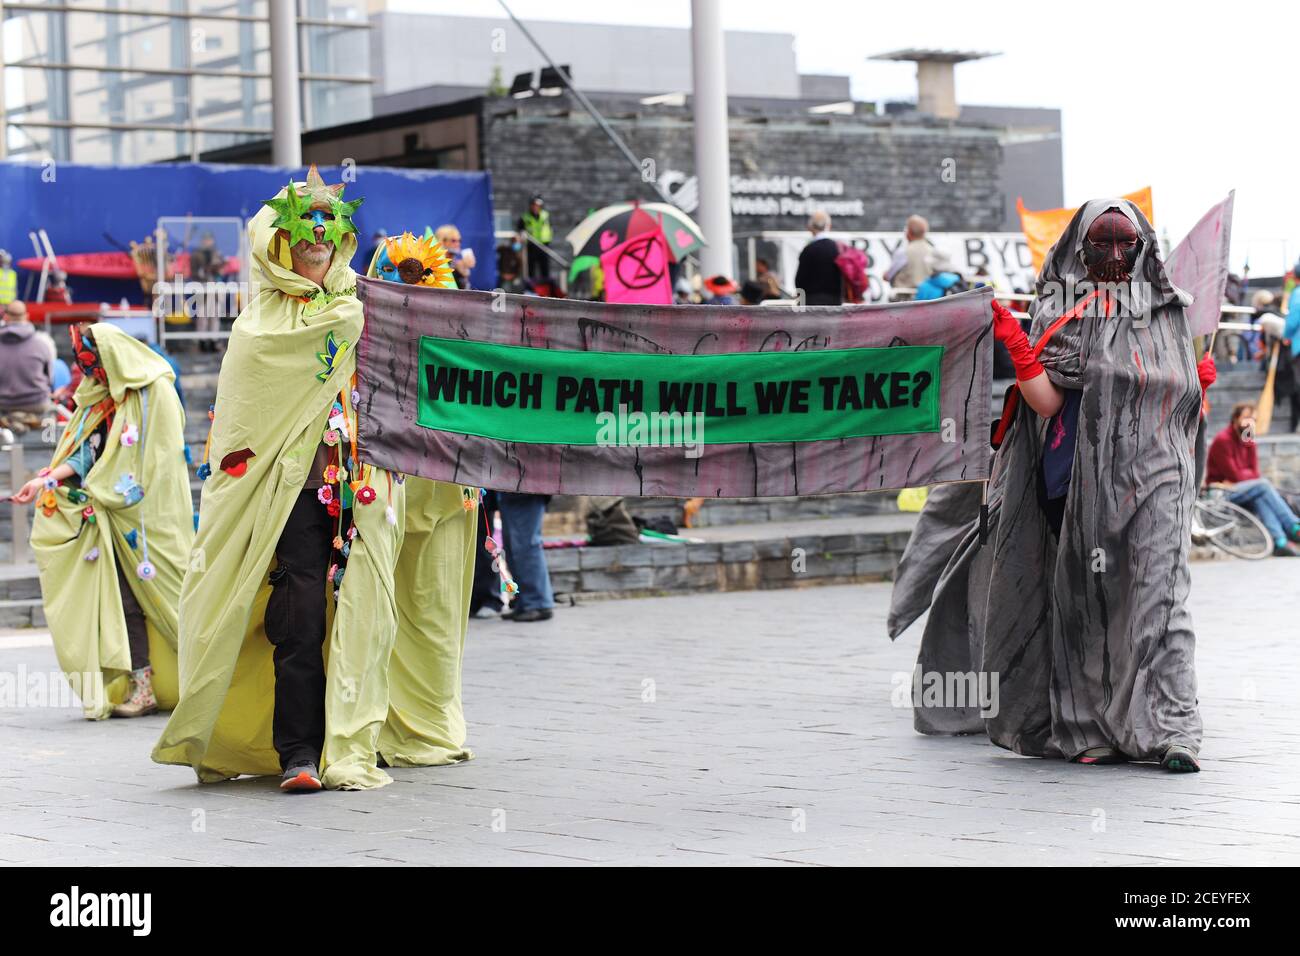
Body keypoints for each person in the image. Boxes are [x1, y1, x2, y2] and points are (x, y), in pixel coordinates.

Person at [889, 198, 1208, 773]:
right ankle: (1091, 727)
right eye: (1101, 243)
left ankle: (1171, 726)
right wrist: (1018, 347)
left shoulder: (1168, 310)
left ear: (1142, 247)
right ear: (1078, 247)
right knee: (1088, 603)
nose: (1114, 255)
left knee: (1162, 593)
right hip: (1079, 483)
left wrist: (1195, 387)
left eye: (1125, 244)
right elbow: (1049, 403)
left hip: (1159, 476)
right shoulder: (1061, 309)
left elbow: (1176, 400)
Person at [152, 166, 407, 793]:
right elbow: (246, 422)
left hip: (364, 490)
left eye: (328, 239)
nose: (317, 247)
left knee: (368, 616)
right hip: (289, 492)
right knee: (299, 618)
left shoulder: (368, 308)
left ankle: (360, 738)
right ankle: (297, 752)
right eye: (305, 240)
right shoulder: (256, 328)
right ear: (280, 248)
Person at [11, 323, 192, 719]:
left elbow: (157, 460)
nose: (93, 376)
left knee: (176, 598)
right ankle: (143, 686)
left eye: (95, 366)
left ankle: (209, 681)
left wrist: (107, 490)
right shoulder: (99, 399)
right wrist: (44, 478)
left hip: (153, 520)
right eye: (87, 368)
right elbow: (85, 453)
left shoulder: (154, 389)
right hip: (110, 517)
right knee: (125, 601)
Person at [366, 230, 478, 766]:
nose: (402, 287)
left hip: (446, 498)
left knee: (433, 607)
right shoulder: (362, 336)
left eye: (415, 276)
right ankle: (378, 720)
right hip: (382, 498)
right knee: (378, 610)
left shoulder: (456, 341)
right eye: (391, 276)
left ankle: (430, 722)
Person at [1206, 403, 1300, 555]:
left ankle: (1280, 542)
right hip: (1220, 492)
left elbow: (1255, 473)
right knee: (1262, 486)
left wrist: (1245, 475)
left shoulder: (1247, 437)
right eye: (1246, 418)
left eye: (1253, 420)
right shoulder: (1222, 440)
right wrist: (1246, 475)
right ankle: (1293, 526)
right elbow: (1234, 475)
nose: (1250, 423)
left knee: (1260, 496)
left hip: (1241, 489)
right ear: (1235, 419)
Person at [0, 300, 58, 434]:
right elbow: (50, 380)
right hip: (36, 405)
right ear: (26, 316)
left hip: (2, 406)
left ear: (6, 317)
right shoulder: (43, 343)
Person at [497, 492, 555, 622]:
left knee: (526, 545)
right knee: (512, 548)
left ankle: (538, 603)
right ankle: (524, 602)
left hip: (527, 487)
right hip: (507, 488)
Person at [794, 210, 842, 306]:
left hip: (811, 304)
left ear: (810, 227)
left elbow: (800, 281)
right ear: (829, 226)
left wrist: (800, 302)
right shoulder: (837, 248)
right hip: (834, 303)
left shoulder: (808, 250)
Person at [189, 232, 227, 353]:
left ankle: (214, 340)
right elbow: (194, 272)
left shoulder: (217, 253)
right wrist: (204, 272)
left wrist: (217, 269)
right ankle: (202, 341)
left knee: (215, 315)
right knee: (202, 316)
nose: (207, 242)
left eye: (209, 239)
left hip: (215, 289)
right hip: (202, 289)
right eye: (205, 240)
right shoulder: (196, 254)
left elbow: (221, 271)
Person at [887, 215, 933, 291]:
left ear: (909, 232)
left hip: (904, 299)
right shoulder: (932, 251)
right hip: (927, 297)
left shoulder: (903, 252)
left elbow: (888, 276)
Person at [516, 194, 553, 282]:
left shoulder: (546, 215)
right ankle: (532, 290)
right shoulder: (525, 217)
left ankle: (545, 290)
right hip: (531, 246)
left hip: (544, 246)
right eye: (534, 205)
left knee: (545, 269)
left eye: (538, 205)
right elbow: (519, 231)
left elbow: (550, 228)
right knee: (531, 270)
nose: (536, 207)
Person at [434, 224, 476, 290]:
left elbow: (465, 290)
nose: (458, 244)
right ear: (442, 241)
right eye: (453, 241)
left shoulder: (456, 263)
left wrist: (464, 271)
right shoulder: (436, 262)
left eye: (459, 241)